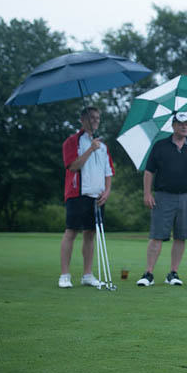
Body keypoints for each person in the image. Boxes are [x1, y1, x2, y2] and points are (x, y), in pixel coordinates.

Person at [137, 112, 187, 287]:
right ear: (173, 125)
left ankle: (173, 273)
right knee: (157, 235)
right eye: (181, 123)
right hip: (164, 196)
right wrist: (147, 193)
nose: (184, 127)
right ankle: (148, 274)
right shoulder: (160, 146)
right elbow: (149, 171)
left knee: (181, 236)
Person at [59, 107, 114, 288]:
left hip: (97, 196)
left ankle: (87, 275)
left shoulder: (103, 146)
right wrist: (90, 149)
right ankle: (65, 275)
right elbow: (73, 166)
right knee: (71, 232)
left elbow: (108, 172)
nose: (95, 120)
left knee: (90, 234)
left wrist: (107, 191)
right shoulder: (72, 142)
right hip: (77, 193)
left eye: (97, 118)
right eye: (91, 117)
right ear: (82, 120)